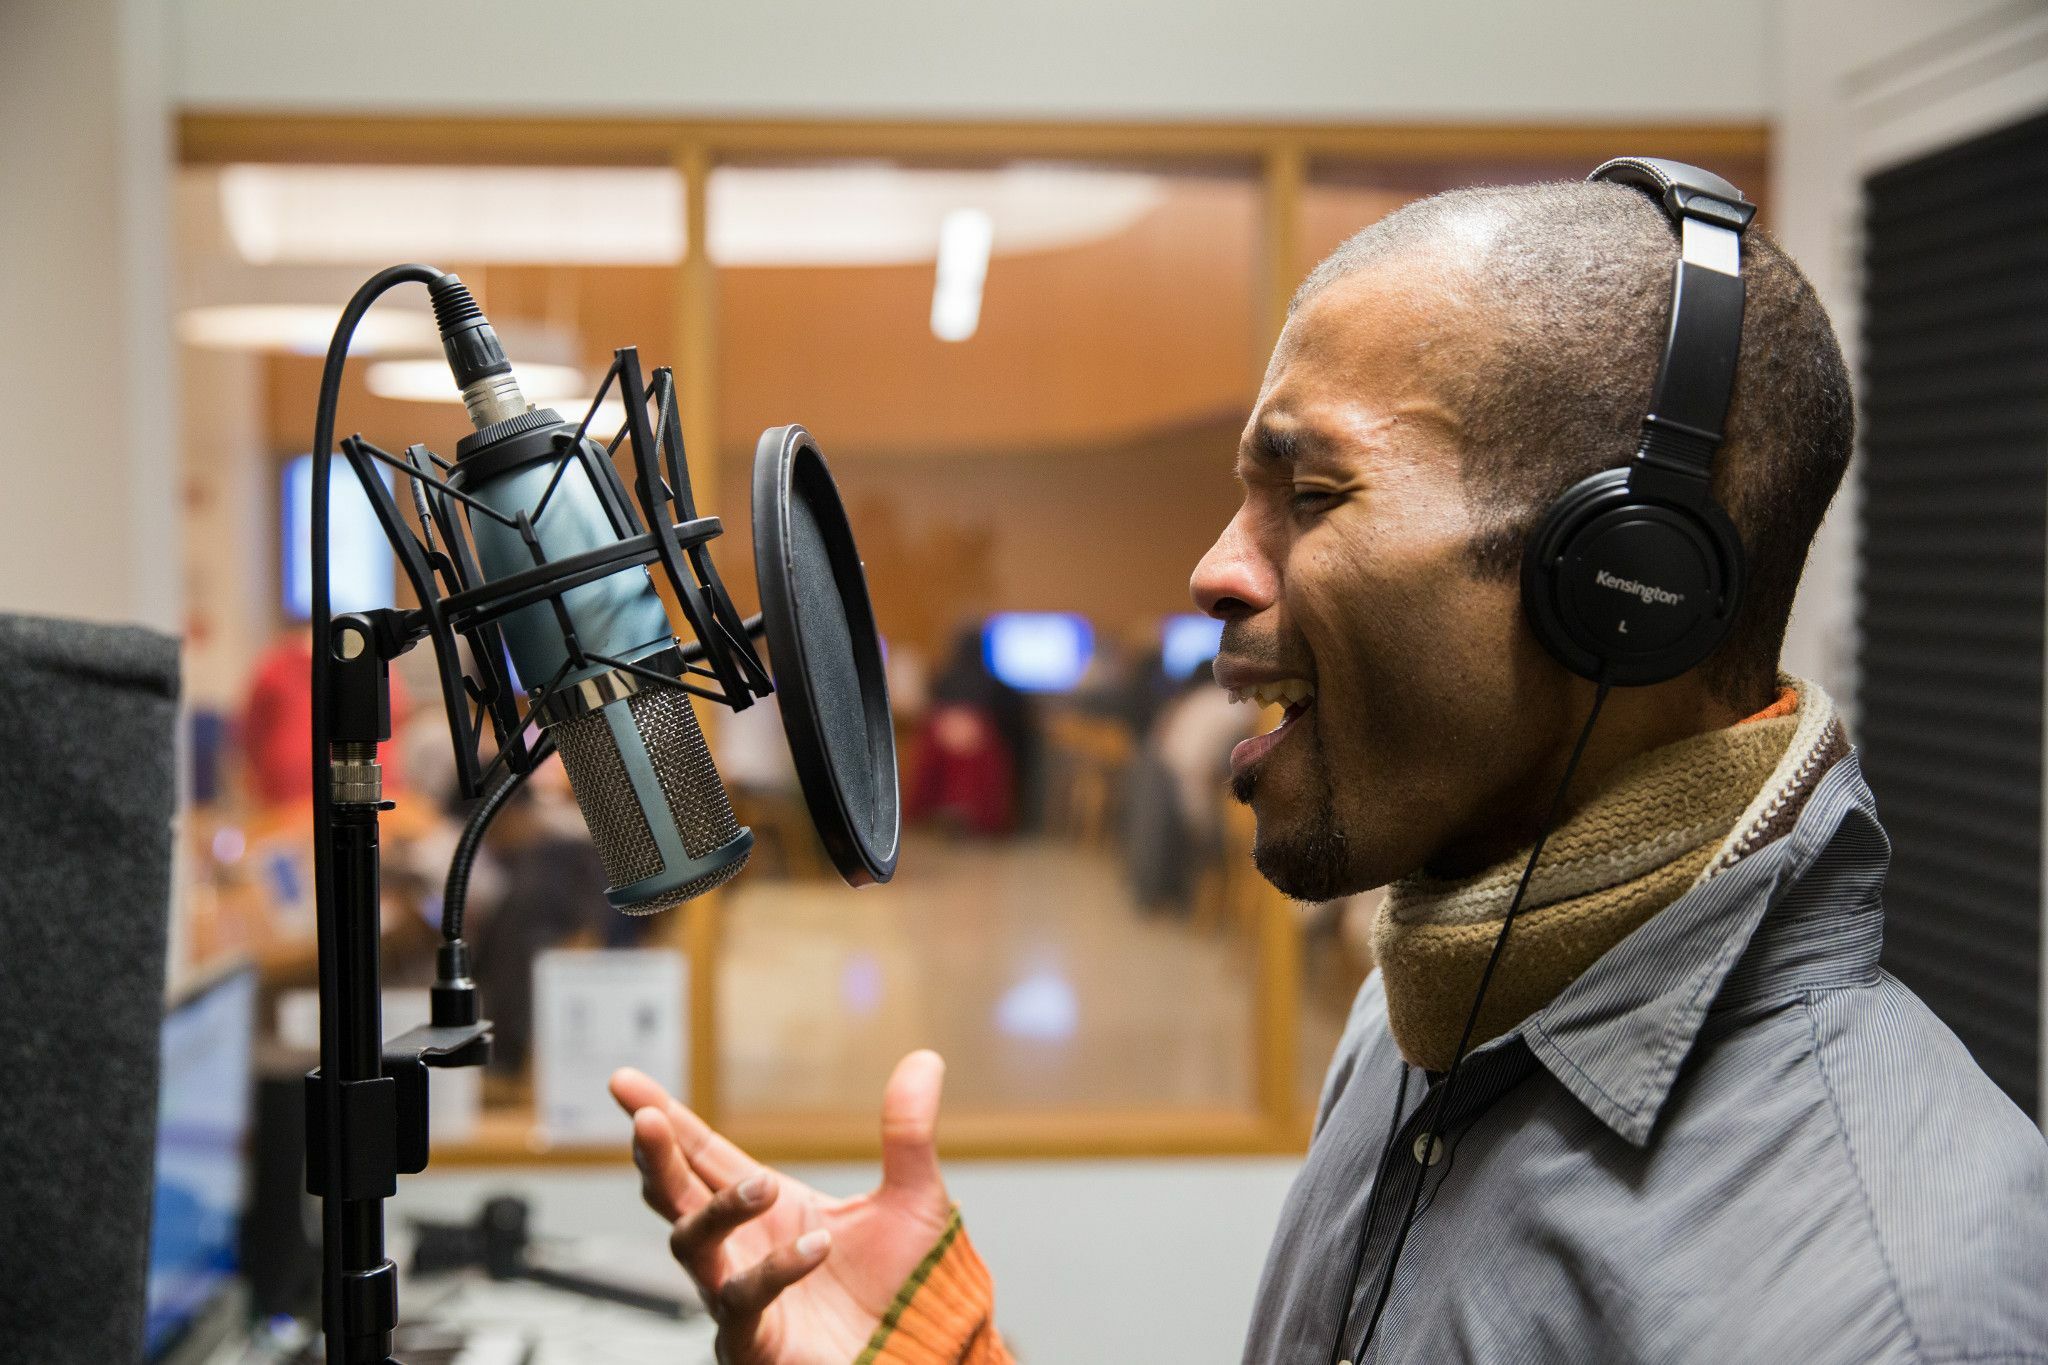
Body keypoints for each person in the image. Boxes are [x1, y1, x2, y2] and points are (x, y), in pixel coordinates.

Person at [608, 168, 2048, 1363]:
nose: (1212, 571)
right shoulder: (1430, 1007)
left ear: (1620, 586)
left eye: (1309, 492)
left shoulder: (1885, 1308)